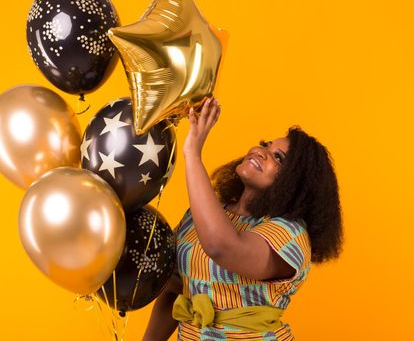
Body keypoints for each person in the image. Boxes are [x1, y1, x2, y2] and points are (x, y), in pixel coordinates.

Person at [143, 98, 343, 341]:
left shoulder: (291, 235)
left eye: (278, 158)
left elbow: (223, 247)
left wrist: (193, 154)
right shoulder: (209, 213)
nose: (260, 152)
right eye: (265, 146)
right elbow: (176, 291)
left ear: (295, 185)